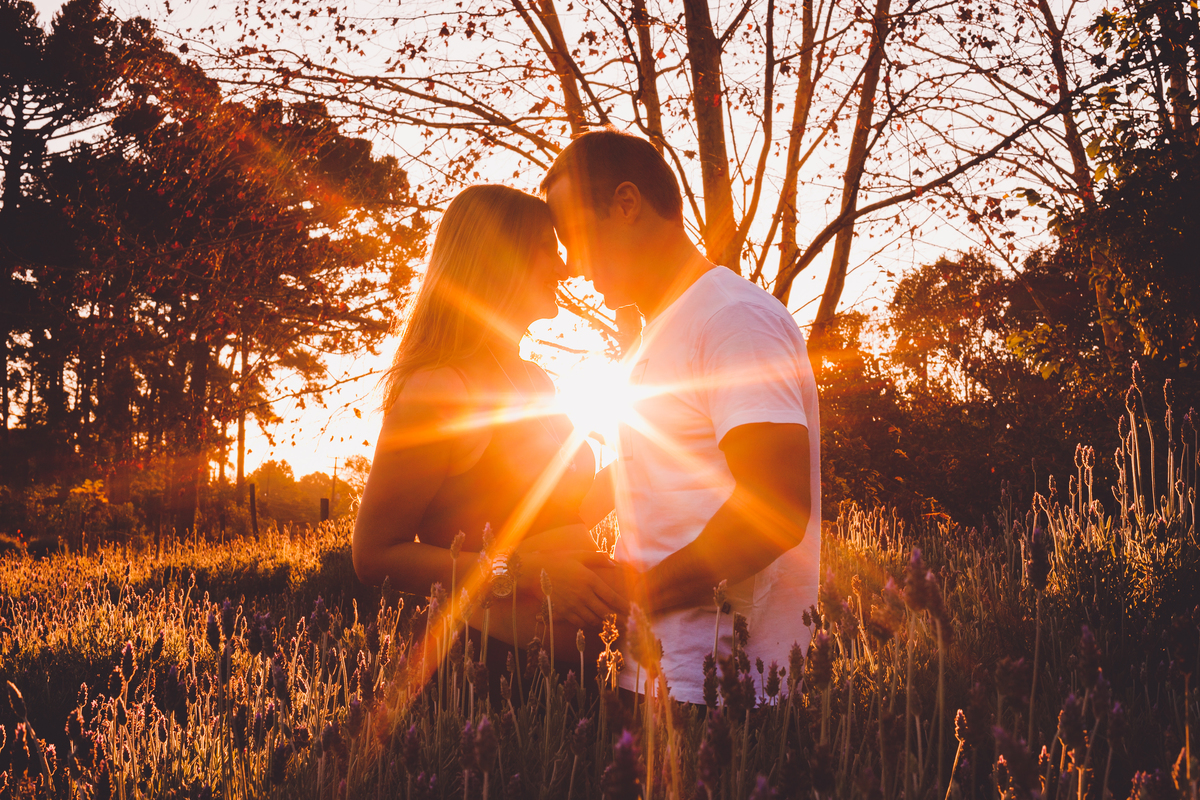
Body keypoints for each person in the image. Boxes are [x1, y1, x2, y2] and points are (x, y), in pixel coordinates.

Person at [541, 130, 822, 705]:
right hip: (651, 676)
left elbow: (774, 511)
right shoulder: (658, 334)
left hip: (721, 694)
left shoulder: (732, 319)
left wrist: (637, 593)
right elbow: (656, 482)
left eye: (573, 236)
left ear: (626, 204)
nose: (570, 265)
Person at [352, 184, 626, 682]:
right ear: (498, 258)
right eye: (546, 249)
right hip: (494, 675)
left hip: (583, 679)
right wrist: (527, 574)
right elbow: (374, 555)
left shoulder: (534, 379)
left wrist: (639, 464)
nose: (564, 268)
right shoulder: (441, 387)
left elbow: (553, 511)